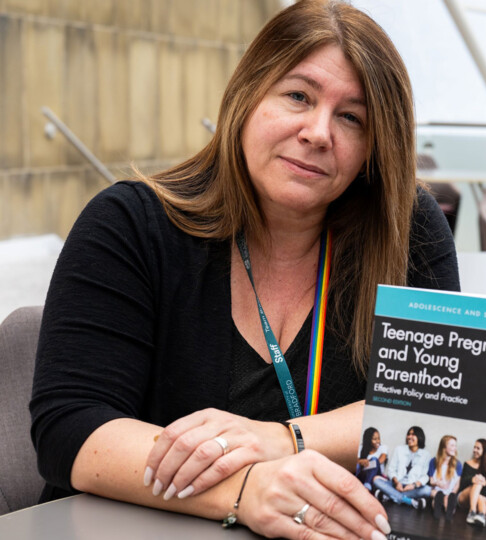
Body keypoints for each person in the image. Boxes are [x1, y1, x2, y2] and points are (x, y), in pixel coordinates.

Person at [29, 2, 458, 539]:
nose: (318, 132)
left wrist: (287, 439)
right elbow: (71, 428)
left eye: (352, 117)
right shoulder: (129, 224)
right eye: (298, 96)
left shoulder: (407, 229)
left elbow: (440, 408)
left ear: (375, 149)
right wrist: (245, 490)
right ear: (247, 95)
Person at [373, 426, 432, 508]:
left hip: (412, 488)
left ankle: (388, 496)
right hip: (397, 485)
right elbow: (391, 470)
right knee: (376, 481)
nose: (409, 437)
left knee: (427, 490)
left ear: (420, 437)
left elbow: (425, 476)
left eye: (413, 434)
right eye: (409, 434)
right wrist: (397, 483)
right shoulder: (399, 449)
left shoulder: (426, 454)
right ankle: (409, 501)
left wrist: (413, 485)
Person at [458, 438, 486, 527]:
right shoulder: (467, 464)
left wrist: (485, 483)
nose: (475, 450)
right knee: (477, 482)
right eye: (474, 448)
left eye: (478, 448)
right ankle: (472, 512)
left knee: (481, 496)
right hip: (464, 497)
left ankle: (481, 515)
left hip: (480, 498)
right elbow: (461, 483)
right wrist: (472, 479)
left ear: (484, 451)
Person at [426, 435, 462, 520]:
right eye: (452, 445)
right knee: (436, 496)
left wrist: (450, 494)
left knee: (449, 504)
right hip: (436, 491)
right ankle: (438, 504)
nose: (454, 448)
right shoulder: (434, 461)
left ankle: (447, 506)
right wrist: (437, 483)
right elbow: (431, 481)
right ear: (444, 447)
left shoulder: (458, 464)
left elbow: (457, 485)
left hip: (449, 492)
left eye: (455, 446)